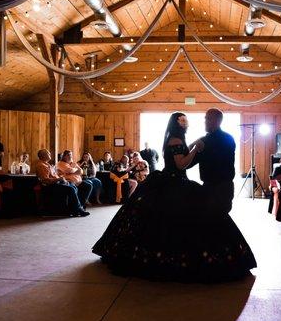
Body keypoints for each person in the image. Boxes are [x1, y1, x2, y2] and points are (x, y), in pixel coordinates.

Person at [92, 112, 256, 282]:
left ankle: (220, 253)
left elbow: (191, 158)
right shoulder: (181, 140)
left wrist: (195, 147)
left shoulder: (222, 139)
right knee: (195, 217)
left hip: (219, 184)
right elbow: (182, 163)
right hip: (179, 183)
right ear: (180, 124)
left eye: (207, 119)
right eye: (185, 122)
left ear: (216, 120)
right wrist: (195, 149)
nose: (195, 123)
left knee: (214, 216)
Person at [189, 108, 236, 215]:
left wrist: (192, 147)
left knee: (214, 222)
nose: (205, 121)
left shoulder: (209, 141)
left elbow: (190, 163)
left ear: (218, 121)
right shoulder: (227, 138)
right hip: (219, 187)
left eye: (208, 118)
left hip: (219, 189)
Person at [34, 149, 89, 217]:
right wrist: (59, 179)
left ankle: (74, 209)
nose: (50, 154)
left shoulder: (47, 164)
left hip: (55, 183)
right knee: (71, 189)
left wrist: (61, 179)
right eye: (48, 153)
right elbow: (45, 180)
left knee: (73, 186)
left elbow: (80, 171)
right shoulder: (41, 165)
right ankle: (78, 209)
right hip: (49, 186)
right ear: (43, 155)